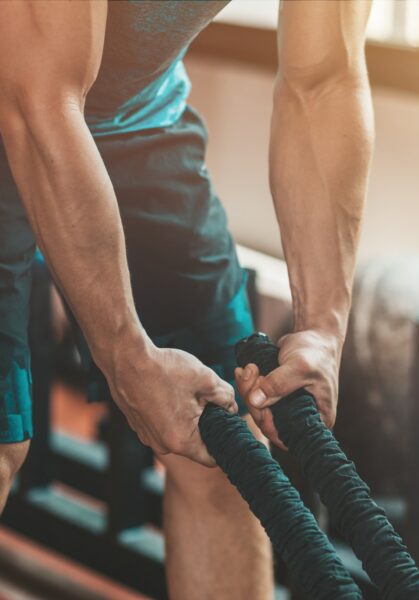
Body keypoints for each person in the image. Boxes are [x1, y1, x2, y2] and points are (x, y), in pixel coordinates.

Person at [0, 0, 374, 597]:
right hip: (24, 88)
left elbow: (324, 80)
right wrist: (126, 354)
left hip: (130, 115)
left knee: (224, 446)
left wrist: (324, 326)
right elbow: (33, 97)